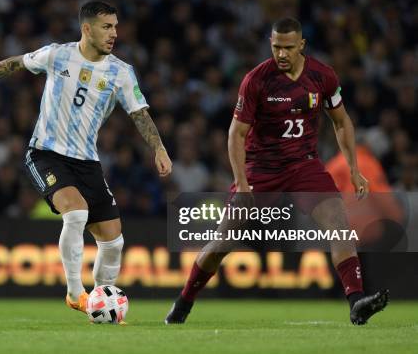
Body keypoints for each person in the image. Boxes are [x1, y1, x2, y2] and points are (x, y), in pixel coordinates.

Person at [0, 1, 172, 315]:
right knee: (77, 213)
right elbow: (13, 64)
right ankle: (74, 292)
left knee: (113, 242)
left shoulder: (121, 72)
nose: (114, 34)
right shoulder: (57, 55)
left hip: (87, 162)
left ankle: (102, 300)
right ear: (87, 28)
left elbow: (140, 113)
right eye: (107, 27)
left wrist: (159, 148)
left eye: (116, 27)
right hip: (45, 154)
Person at [165, 18, 388, 326]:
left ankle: (355, 301)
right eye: (275, 46)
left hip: (304, 165)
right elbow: (236, 134)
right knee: (222, 243)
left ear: (301, 46)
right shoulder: (257, 80)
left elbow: (341, 121)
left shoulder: (322, 76)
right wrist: (242, 183)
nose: (281, 54)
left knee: (339, 223)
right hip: (261, 168)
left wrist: (354, 168)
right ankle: (183, 302)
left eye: (287, 47)